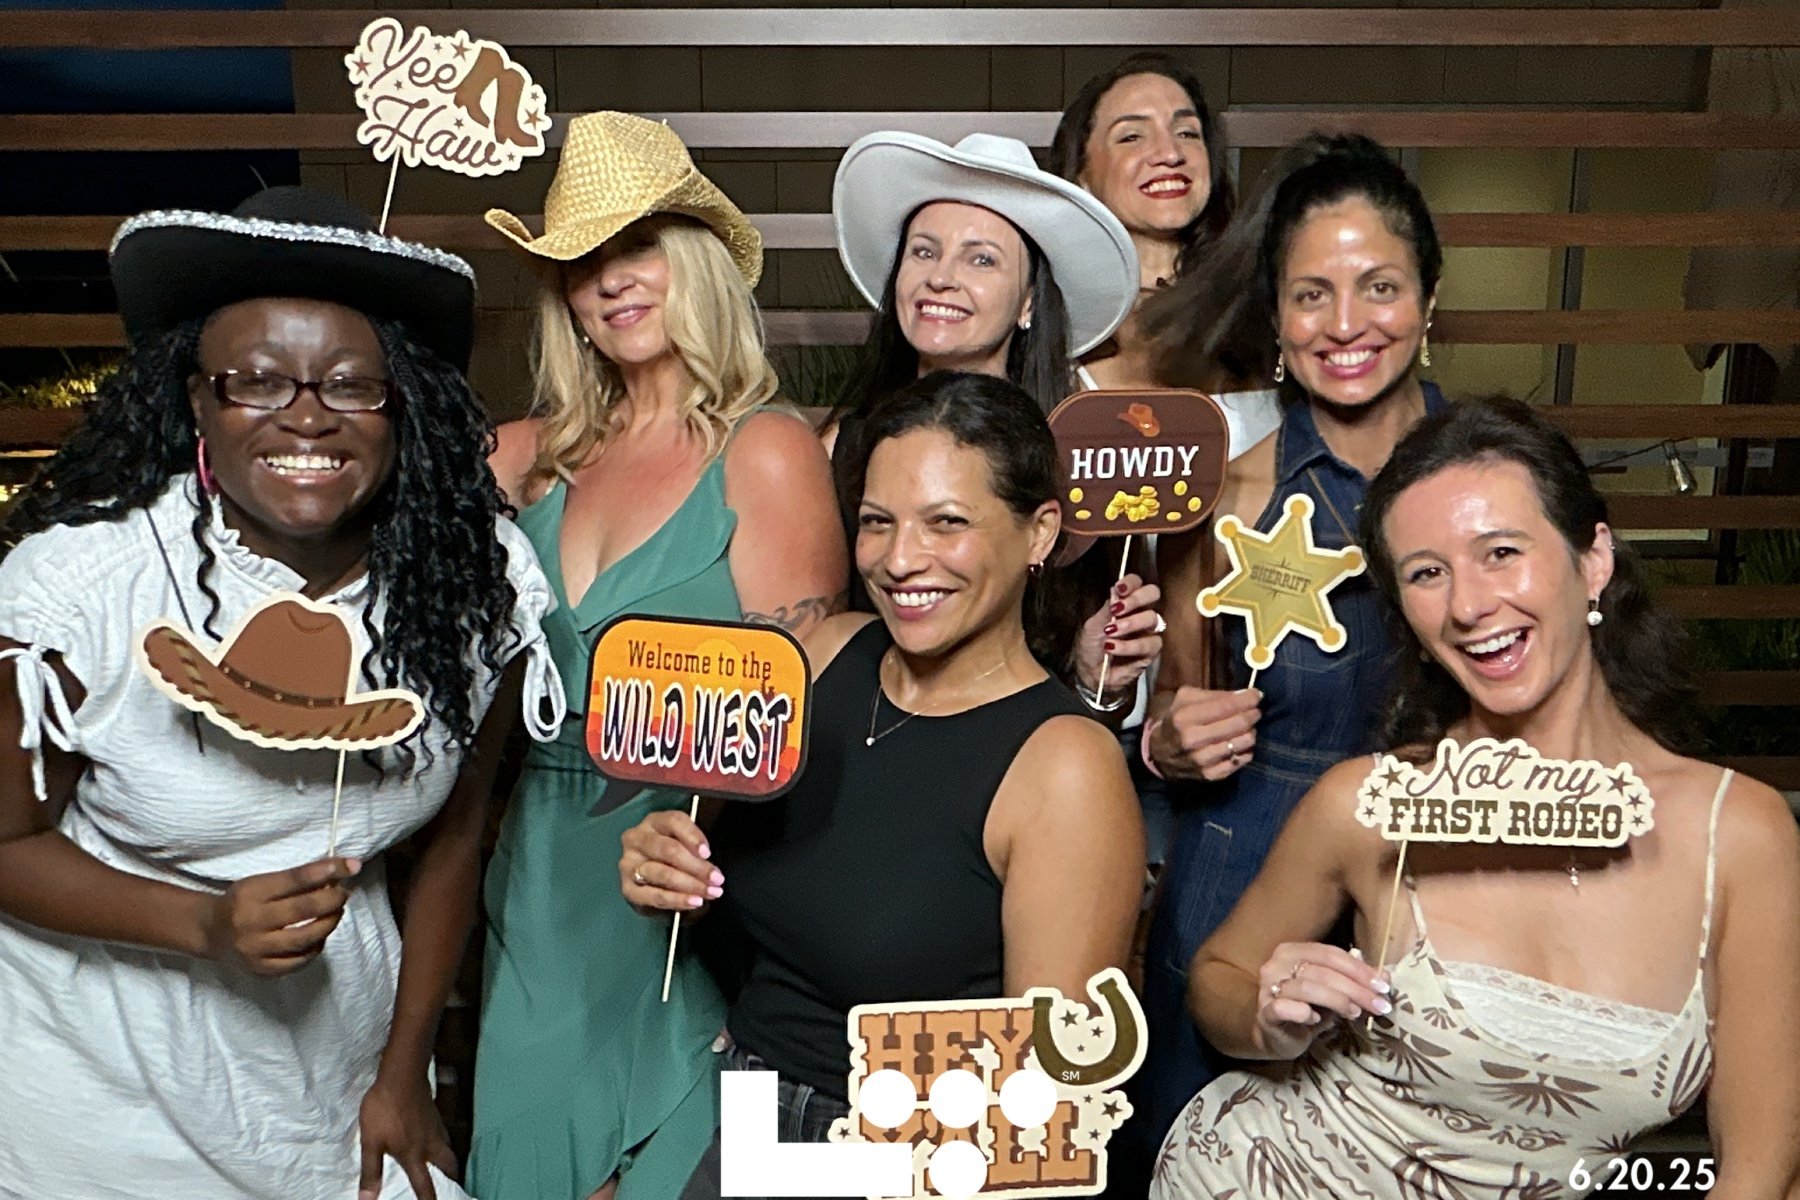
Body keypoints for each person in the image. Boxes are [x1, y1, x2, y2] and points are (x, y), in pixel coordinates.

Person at [0, 186, 562, 1199]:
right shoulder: (83, 585)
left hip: (327, 1089)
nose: (306, 414)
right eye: (256, 380)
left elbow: (452, 842)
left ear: (404, 409)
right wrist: (206, 924)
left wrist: (406, 1077)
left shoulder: (477, 581)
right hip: (91, 1103)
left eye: (350, 384)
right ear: (197, 404)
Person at [1153, 396, 1800, 1198]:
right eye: (1427, 573)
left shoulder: (1735, 833)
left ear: (1592, 559)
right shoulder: (1373, 803)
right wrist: (1266, 1017)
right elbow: (1219, 974)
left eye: (1501, 552)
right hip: (1266, 1175)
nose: (1467, 605)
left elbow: (1760, 1168)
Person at [618, 370, 1145, 1185]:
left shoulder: (1065, 767)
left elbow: (1042, 1107)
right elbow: (716, 871)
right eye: (876, 523)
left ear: (1040, 532)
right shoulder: (826, 654)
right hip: (743, 1109)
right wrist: (663, 860)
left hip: (904, 1158)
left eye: (947, 523)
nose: (901, 560)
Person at [469, 112, 847, 1200]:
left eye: (637, 247)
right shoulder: (525, 459)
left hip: (691, 853)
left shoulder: (765, 451)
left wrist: (694, 832)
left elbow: (799, 698)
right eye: (583, 262)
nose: (612, 281)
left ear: (695, 262)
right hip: (538, 867)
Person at [1121, 133, 1454, 1180]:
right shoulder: (1228, 493)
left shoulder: (1500, 481)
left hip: (1447, 884)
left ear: (1430, 300)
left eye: (1378, 286)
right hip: (1241, 882)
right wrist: (1169, 742)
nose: (1345, 324)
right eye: (1312, 294)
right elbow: (1171, 701)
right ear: (1275, 317)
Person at [828, 129, 1161, 729]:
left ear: (1030, 300)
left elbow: (1099, 709)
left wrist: (1097, 680)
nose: (941, 278)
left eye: (981, 258)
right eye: (924, 252)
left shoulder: (1086, 460)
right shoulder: (838, 452)